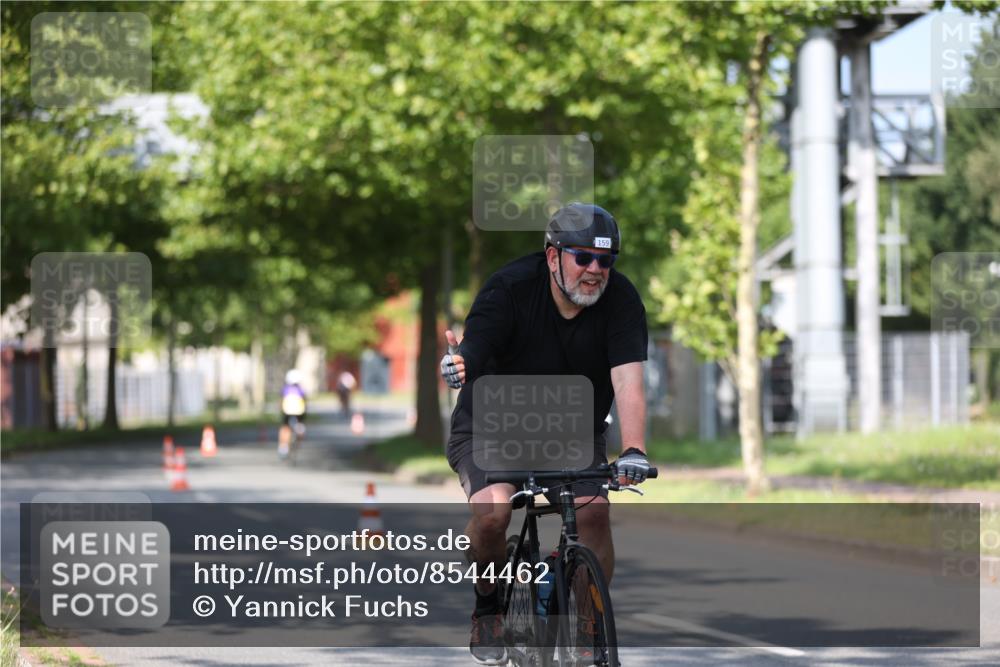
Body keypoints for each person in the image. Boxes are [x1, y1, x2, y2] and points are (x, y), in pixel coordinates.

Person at [440, 202, 652, 665]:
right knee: (494, 513)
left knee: (594, 514)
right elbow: (475, 346)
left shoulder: (621, 301)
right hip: (489, 428)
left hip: (569, 430)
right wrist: (460, 363)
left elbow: (628, 379)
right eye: (584, 258)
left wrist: (634, 449)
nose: (596, 269)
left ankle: (586, 621)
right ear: (553, 256)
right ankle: (488, 603)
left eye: (606, 260)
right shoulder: (509, 288)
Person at [279, 369, 307, 458]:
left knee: (285, 428)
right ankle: (299, 437)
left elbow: (281, 401)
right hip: (299, 412)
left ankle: (283, 447)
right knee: (300, 425)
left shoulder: (285, 389)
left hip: (287, 411)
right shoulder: (301, 390)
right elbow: (305, 402)